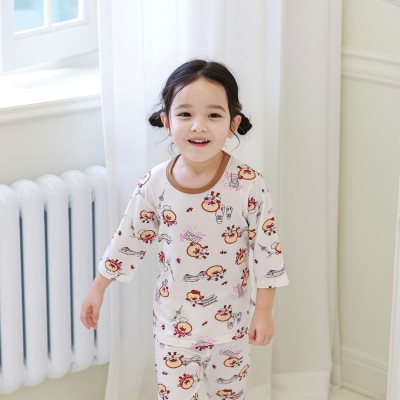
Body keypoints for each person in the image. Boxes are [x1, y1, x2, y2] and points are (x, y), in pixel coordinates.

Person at [81, 59, 289, 400]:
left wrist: (264, 311)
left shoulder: (247, 184)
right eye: (185, 114)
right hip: (173, 329)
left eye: (214, 115)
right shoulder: (155, 184)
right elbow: (129, 238)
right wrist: (98, 288)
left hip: (232, 328)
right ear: (167, 122)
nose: (198, 126)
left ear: (233, 124)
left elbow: (267, 252)